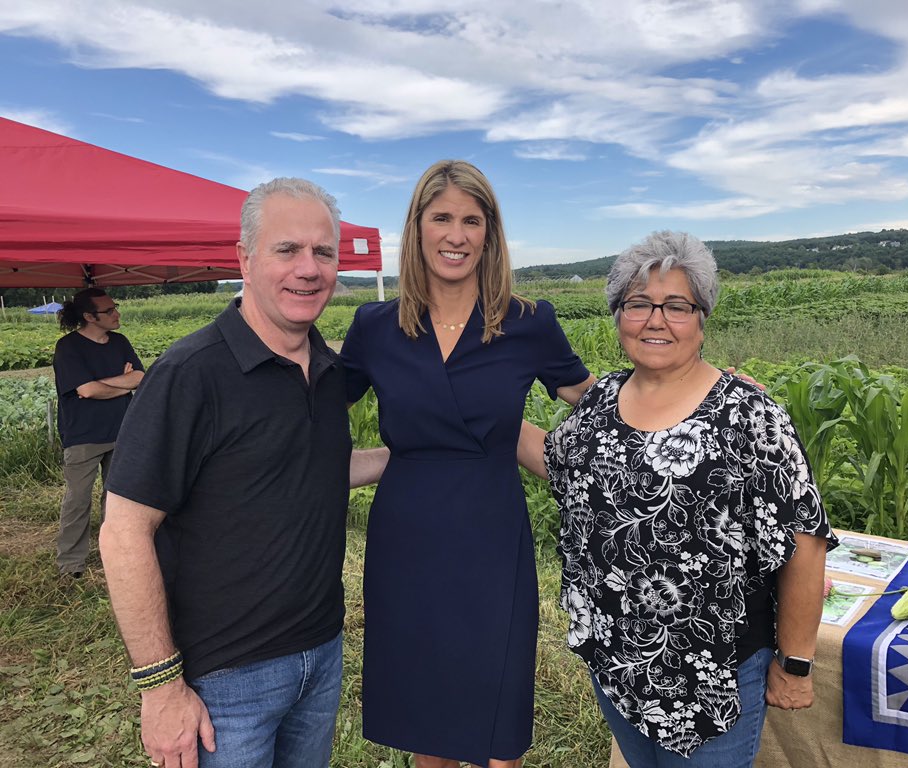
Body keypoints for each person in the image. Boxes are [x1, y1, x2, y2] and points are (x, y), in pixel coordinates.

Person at [98, 178, 388, 768]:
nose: (309, 269)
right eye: (288, 250)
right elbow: (123, 530)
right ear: (245, 258)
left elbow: (308, 469)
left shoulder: (330, 372)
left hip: (321, 652)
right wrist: (160, 687)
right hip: (224, 677)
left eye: (323, 252)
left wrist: (415, 456)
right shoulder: (192, 373)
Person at [518, 231, 836, 768]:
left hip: (715, 673)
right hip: (619, 660)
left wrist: (797, 663)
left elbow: (804, 541)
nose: (655, 320)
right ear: (619, 315)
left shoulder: (749, 415)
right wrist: (481, 416)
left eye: (677, 306)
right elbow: (562, 464)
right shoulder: (600, 401)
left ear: (702, 318)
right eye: (638, 304)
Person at [340, 160, 595, 768]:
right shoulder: (374, 327)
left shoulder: (529, 322)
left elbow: (602, 405)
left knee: (494, 708)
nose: (456, 234)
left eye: (471, 220)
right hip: (408, 536)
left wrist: (699, 393)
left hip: (490, 532)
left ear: (490, 234)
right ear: (418, 227)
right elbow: (307, 412)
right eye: (443, 218)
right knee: (431, 713)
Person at [53, 287, 144, 579]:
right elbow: (86, 391)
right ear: (89, 316)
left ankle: (113, 553)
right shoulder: (68, 347)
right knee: (78, 500)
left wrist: (105, 384)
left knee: (117, 499)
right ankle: (71, 563)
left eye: (114, 307)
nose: (117, 314)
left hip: (122, 429)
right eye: (109, 311)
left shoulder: (120, 342)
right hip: (83, 435)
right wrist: (123, 382)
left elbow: (141, 378)